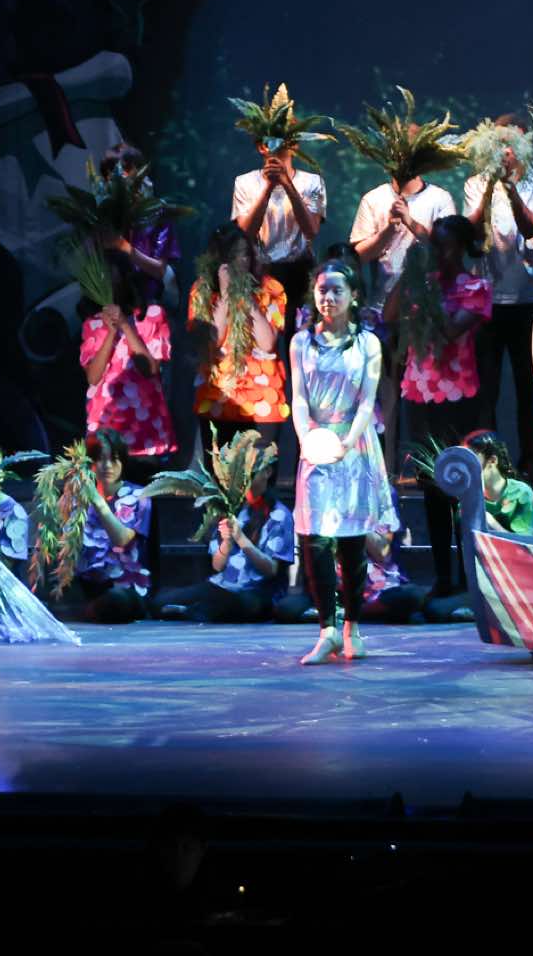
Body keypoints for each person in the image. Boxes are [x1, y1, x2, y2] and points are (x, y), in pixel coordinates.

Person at [290, 261, 399, 665]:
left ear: (353, 296)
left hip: (353, 443)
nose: (328, 297)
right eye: (322, 289)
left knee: (353, 539)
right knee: (315, 538)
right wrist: (308, 440)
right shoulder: (301, 342)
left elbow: (368, 400)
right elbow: (299, 397)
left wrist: (347, 442)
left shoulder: (367, 343)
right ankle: (327, 630)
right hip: (316, 443)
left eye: (337, 290)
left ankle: (353, 626)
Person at [394, 215, 493, 596]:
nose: (438, 253)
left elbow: (451, 330)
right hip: (419, 394)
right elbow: (389, 314)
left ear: (462, 247)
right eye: (434, 245)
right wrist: (410, 274)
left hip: (457, 397)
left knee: (459, 484)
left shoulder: (476, 287)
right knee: (430, 485)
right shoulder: (423, 283)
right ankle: (443, 577)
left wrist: (427, 295)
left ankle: (469, 576)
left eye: (445, 246)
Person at [349, 154, 459, 472]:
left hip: (428, 314)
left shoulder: (439, 198)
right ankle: (386, 469)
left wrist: (410, 221)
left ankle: (426, 470)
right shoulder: (374, 199)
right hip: (381, 312)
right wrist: (388, 229)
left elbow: (448, 248)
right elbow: (358, 254)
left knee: (424, 395)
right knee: (386, 396)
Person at [467, 116, 533, 477]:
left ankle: (531, 465)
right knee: (486, 390)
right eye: (499, 142)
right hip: (487, 301)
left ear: (524, 144)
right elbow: (472, 235)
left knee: (528, 386)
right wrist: (491, 185)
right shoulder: (477, 182)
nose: (505, 150)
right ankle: (488, 465)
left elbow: (530, 228)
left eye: (512, 142)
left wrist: (510, 188)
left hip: (529, 301)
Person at [152, 447, 294, 622]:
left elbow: (271, 570)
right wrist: (226, 542)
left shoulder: (279, 515)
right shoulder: (232, 507)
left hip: (256, 591)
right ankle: (195, 609)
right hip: (221, 586)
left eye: (251, 472)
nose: (245, 478)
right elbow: (217, 566)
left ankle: (192, 610)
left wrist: (241, 538)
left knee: (242, 604)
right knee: (159, 601)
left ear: (267, 472)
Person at [189, 222, 289, 450]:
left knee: (259, 469)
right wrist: (226, 296)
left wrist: (245, 296)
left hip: (262, 401)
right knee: (219, 470)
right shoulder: (202, 291)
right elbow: (211, 343)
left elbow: (267, 344)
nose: (240, 261)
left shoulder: (271, 289)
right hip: (217, 399)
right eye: (232, 255)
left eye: (244, 253)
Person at [80, 264, 175, 465]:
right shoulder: (93, 324)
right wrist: (111, 333)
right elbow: (93, 378)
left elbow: (150, 369)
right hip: (107, 430)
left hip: (145, 430)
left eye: (112, 279)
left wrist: (125, 325)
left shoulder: (152, 316)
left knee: (146, 483)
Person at [56, 429, 152, 624]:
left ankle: (90, 611)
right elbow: (65, 547)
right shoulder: (75, 499)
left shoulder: (139, 496)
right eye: (100, 459)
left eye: (114, 459)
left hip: (125, 588)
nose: (107, 466)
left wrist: (97, 501)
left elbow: (122, 539)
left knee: (115, 601)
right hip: (87, 586)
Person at [231, 135, 326, 327]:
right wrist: (268, 187)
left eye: (284, 142)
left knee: (298, 332)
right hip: (260, 272)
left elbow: (311, 230)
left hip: (299, 272)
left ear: (295, 145)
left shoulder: (312, 182)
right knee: (264, 334)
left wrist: (287, 183)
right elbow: (245, 233)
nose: (277, 148)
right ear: (261, 147)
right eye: (270, 142)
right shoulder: (245, 182)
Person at [99, 142, 180, 311]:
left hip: (153, 302)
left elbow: (159, 270)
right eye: (113, 175)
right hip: (117, 303)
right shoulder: (105, 214)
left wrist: (123, 246)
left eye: (128, 170)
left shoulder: (156, 212)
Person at [465, 430, 533, 534]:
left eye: (472, 458)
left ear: (493, 460)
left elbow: (524, 542)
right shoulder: (468, 499)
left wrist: (491, 523)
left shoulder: (521, 493)